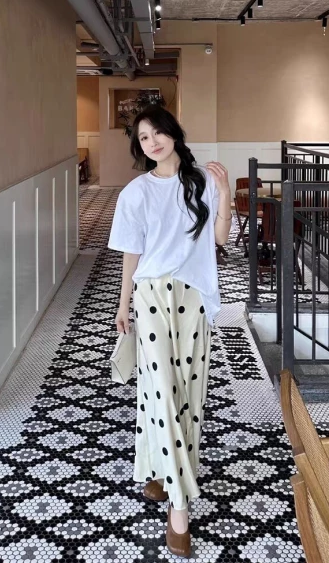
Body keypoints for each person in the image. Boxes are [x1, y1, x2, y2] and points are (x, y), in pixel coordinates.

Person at [108, 105, 232, 557]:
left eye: (158, 132)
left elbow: (220, 239)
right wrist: (123, 304)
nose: (153, 142)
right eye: (144, 138)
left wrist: (225, 193)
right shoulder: (135, 193)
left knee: (187, 394)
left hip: (194, 297)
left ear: (174, 133)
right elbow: (131, 252)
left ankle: (160, 471)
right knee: (160, 391)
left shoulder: (201, 181)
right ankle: (179, 509)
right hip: (151, 298)